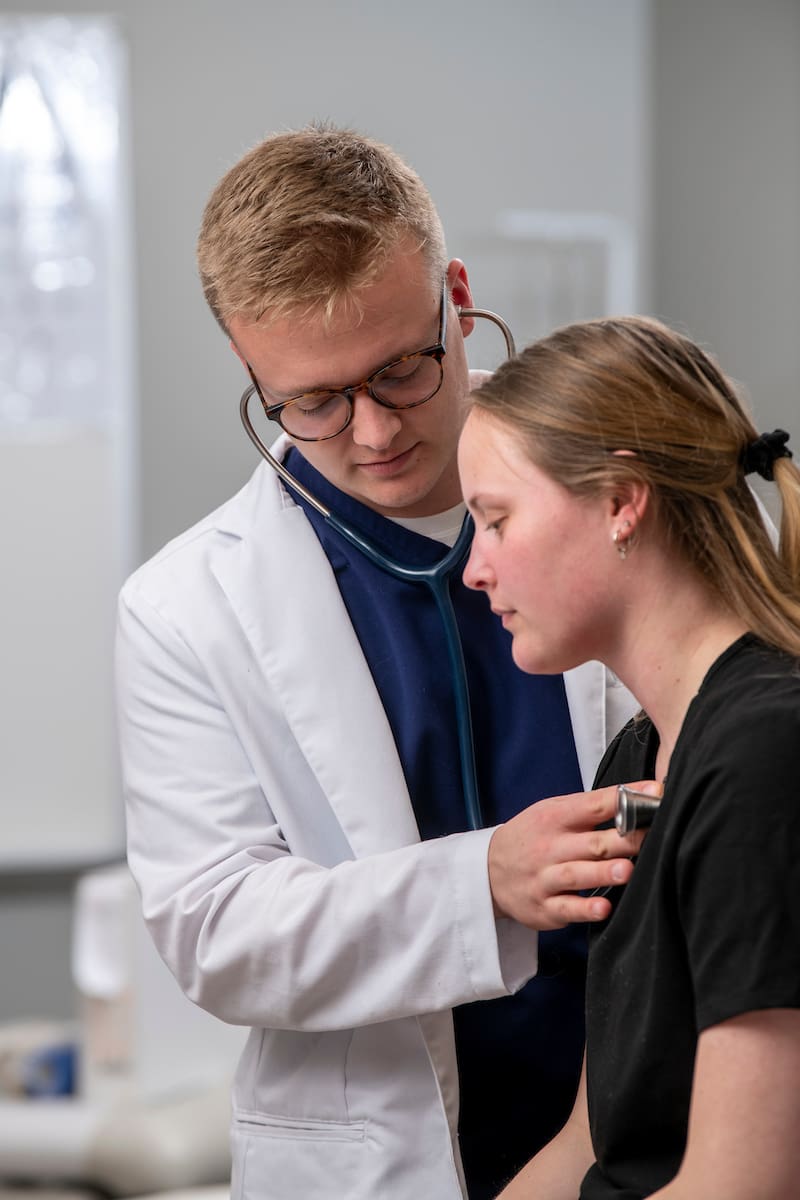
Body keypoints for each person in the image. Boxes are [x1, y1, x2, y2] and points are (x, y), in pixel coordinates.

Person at [114, 124, 648, 1200]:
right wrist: (481, 885)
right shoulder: (184, 609)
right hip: (380, 1160)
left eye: (401, 368)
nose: (369, 433)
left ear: (454, 293)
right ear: (247, 363)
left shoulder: (617, 483)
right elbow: (216, 932)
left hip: (642, 1117)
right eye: (310, 401)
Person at [457, 314, 800, 1199]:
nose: (473, 569)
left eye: (494, 521)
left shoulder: (763, 756)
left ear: (619, 500)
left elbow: (741, 1186)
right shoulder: (639, 757)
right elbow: (592, 1140)